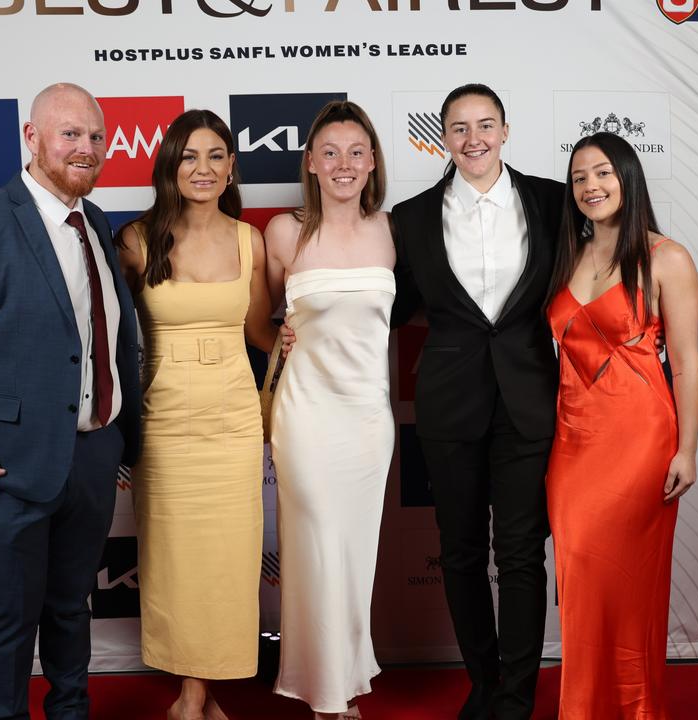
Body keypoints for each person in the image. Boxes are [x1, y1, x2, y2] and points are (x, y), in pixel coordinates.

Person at [0, 83, 140, 720]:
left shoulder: (95, 222)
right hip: (10, 466)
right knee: (14, 614)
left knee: (72, 604)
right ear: (31, 138)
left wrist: (122, 440)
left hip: (94, 454)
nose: (86, 148)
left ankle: (71, 711)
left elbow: (109, 340)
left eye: (96, 137)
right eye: (70, 134)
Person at [389, 83, 564, 720]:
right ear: (443, 137)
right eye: (459, 128)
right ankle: (483, 684)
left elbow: (606, 257)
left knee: (521, 554)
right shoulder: (409, 218)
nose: (474, 139)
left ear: (506, 130)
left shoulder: (553, 200)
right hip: (448, 405)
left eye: (485, 125)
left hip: (528, 402)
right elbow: (389, 306)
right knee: (460, 551)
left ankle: (517, 697)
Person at [115, 109, 276, 720]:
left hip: (233, 418)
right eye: (189, 156)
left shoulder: (250, 240)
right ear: (170, 167)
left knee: (230, 559)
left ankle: (199, 694)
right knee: (174, 558)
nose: (202, 169)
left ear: (232, 167)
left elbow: (260, 332)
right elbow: (110, 330)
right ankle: (191, 696)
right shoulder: (136, 240)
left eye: (215, 156)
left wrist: (297, 334)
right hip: (164, 420)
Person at [544, 132, 698, 719]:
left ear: (629, 177)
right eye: (580, 176)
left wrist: (688, 449)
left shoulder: (667, 257)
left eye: (604, 173)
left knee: (631, 588)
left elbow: (685, 364)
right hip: (571, 443)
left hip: (639, 441)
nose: (591, 186)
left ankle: (636, 710)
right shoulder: (569, 252)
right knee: (581, 583)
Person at [263, 100, 395, 720]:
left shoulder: (392, 231)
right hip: (307, 416)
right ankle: (326, 698)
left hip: (369, 420)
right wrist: (277, 336)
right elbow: (262, 321)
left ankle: (342, 676)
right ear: (311, 163)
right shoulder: (283, 233)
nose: (344, 164)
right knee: (315, 542)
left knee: (354, 552)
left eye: (356, 152)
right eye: (331, 152)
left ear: (372, 164)